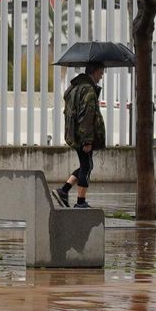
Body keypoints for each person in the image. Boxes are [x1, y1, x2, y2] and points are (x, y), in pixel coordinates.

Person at [57, 61, 107, 209]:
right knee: (87, 166)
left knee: (86, 165)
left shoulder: (75, 88)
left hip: (74, 133)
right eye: (101, 72)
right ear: (95, 72)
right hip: (82, 136)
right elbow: (86, 116)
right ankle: (80, 202)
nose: (102, 76)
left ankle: (64, 191)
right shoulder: (88, 90)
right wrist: (87, 141)